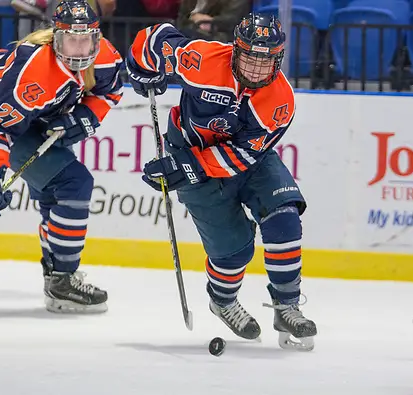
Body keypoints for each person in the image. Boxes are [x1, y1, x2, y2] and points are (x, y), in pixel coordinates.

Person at [125, 13, 318, 350]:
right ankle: (223, 300)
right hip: (189, 147)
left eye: (267, 60)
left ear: (279, 58)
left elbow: (242, 157)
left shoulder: (280, 100)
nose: (258, 69)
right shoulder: (201, 59)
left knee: (283, 215)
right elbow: (155, 37)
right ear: (235, 50)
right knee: (234, 250)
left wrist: (185, 168)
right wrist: (142, 69)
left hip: (247, 159)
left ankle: (286, 306)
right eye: (251, 58)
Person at [0, 0, 123, 314]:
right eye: (71, 40)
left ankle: (56, 279)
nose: (80, 49)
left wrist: (85, 117)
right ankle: (63, 280)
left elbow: (111, 91)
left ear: (96, 36)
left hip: (45, 121)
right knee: (75, 184)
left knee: (55, 196)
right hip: (18, 128)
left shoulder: (104, 55)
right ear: (57, 37)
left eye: (86, 39)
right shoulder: (32, 75)